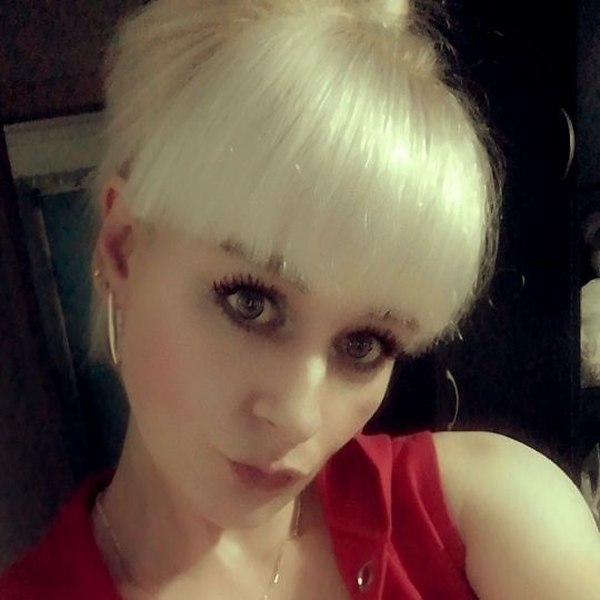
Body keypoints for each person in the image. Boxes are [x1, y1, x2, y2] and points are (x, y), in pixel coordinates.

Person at [1, 0, 599, 598]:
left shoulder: (489, 521)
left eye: (364, 344)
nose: (298, 416)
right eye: (251, 303)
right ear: (123, 250)